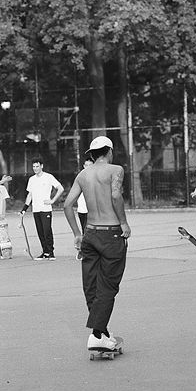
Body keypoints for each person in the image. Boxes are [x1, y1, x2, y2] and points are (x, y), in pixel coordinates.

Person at [63, 135, 131, 352]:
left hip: (90, 234)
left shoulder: (83, 175)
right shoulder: (115, 170)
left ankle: (101, 333)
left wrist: (76, 233)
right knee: (108, 285)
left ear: (91, 155)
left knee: (91, 285)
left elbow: (67, 205)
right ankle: (96, 335)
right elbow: (116, 196)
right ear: (109, 151)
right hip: (111, 234)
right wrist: (124, 223)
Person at [20, 158, 64, 260]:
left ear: (42, 166)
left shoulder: (48, 177)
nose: (35, 168)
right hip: (36, 209)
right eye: (34, 167)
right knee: (40, 232)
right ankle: (45, 252)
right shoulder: (31, 179)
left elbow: (60, 188)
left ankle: (51, 252)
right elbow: (29, 195)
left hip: (46, 209)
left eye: (37, 166)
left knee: (47, 231)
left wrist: (52, 200)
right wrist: (24, 209)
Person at [76, 158, 93, 233]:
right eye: (86, 165)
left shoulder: (95, 177)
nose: (88, 167)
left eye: (90, 165)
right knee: (84, 230)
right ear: (84, 166)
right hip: (81, 209)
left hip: (91, 209)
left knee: (89, 230)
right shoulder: (80, 177)